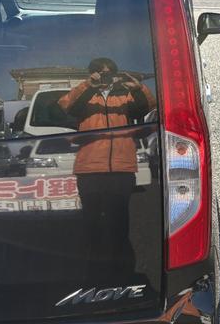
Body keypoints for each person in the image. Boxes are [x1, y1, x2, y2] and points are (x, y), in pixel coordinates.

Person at [57, 57, 156, 279]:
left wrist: (138, 88)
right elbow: (67, 106)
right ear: (92, 73)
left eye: (109, 71)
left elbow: (146, 108)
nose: (105, 75)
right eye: (100, 72)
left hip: (122, 167)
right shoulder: (85, 94)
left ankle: (121, 271)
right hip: (90, 168)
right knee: (91, 221)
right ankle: (91, 270)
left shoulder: (124, 95)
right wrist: (88, 85)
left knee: (119, 220)